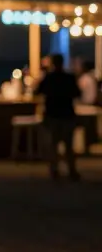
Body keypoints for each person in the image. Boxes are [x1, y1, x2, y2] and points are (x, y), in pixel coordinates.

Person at [36, 53, 81, 182]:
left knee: (53, 144)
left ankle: (54, 170)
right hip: (67, 114)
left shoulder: (48, 78)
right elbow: (77, 93)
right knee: (68, 145)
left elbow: (38, 91)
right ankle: (71, 170)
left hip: (52, 114)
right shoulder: (69, 78)